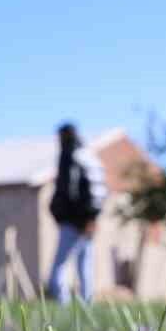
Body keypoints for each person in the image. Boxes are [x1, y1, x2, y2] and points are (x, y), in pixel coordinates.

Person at [44, 122, 107, 304]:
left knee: (60, 265)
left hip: (73, 221)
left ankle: (61, 302)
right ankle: (88, 303)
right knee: (84, 264)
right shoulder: (90, 157)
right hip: (89, 221)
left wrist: (59, 211)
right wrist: (92, 217)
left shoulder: (69, 157)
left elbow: (68, 190)